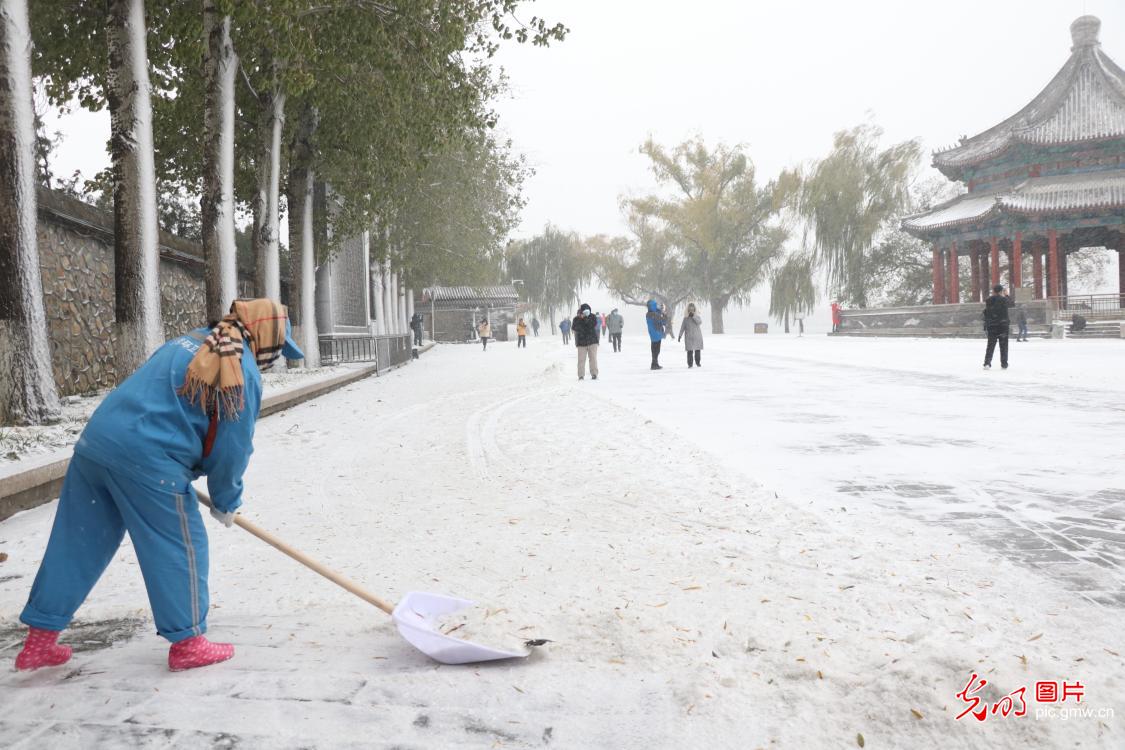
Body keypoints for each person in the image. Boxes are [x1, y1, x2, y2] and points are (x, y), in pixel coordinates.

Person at [14, 299, 305, 673]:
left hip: (97, 444)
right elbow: (232, 449)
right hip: (150, 461)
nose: (276, 356)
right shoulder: (242, 370)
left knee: (78, 541)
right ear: (266, 336)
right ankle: (188, 643)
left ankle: (39, 643)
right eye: (279, 348)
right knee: (180, 546)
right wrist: (226, 500)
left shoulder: (189, 342)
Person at [982, 284, 1014, 369]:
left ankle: (987, 363)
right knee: (1003, 345)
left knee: (990, 345)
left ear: (993, 291)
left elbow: (987, 312)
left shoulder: (988, 300)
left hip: (992, 325)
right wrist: (1006, 294)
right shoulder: (1004, 299)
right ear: (1001, 291)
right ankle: (1004, 364)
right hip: (1003, 326)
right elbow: (1012, 304)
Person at [572, 303, 600, 380]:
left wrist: (585, 318)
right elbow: (575, 328)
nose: (586, 312)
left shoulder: (593, 317)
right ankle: (581, 375)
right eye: (585, 311)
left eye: (588, 311)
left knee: (593, 358)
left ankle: (594, 374)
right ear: (581, 311)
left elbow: (592, 325)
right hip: (581, 343)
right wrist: (580, 318)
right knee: (581, 360)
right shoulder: (576, 319)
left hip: (592, 342)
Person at [677, 303, 705, 368]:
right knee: (689, 351)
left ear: (694, 309)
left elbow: (699, 322)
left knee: (697, 350)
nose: (691, 311)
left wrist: (693, 316)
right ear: (688, 310)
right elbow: (682, 327)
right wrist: (680, 336)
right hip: (688, 337)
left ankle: (698, 362)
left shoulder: (697, 316)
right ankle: (690, 364)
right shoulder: (685, 318)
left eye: (692, 309)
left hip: (697, 336)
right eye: (690, 309)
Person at [646, 299, 668, 370]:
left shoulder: (649, 314)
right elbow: (664, 321)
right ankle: (654, 364)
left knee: (654, 349)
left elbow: (659, 317)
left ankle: (655, 363)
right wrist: (664, 313)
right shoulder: (653, 314)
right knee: (656, 350)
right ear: (652, 306)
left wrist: (660, 310)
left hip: (653, 334)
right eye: (655, 305)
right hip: (657, 333)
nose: (656, 306)